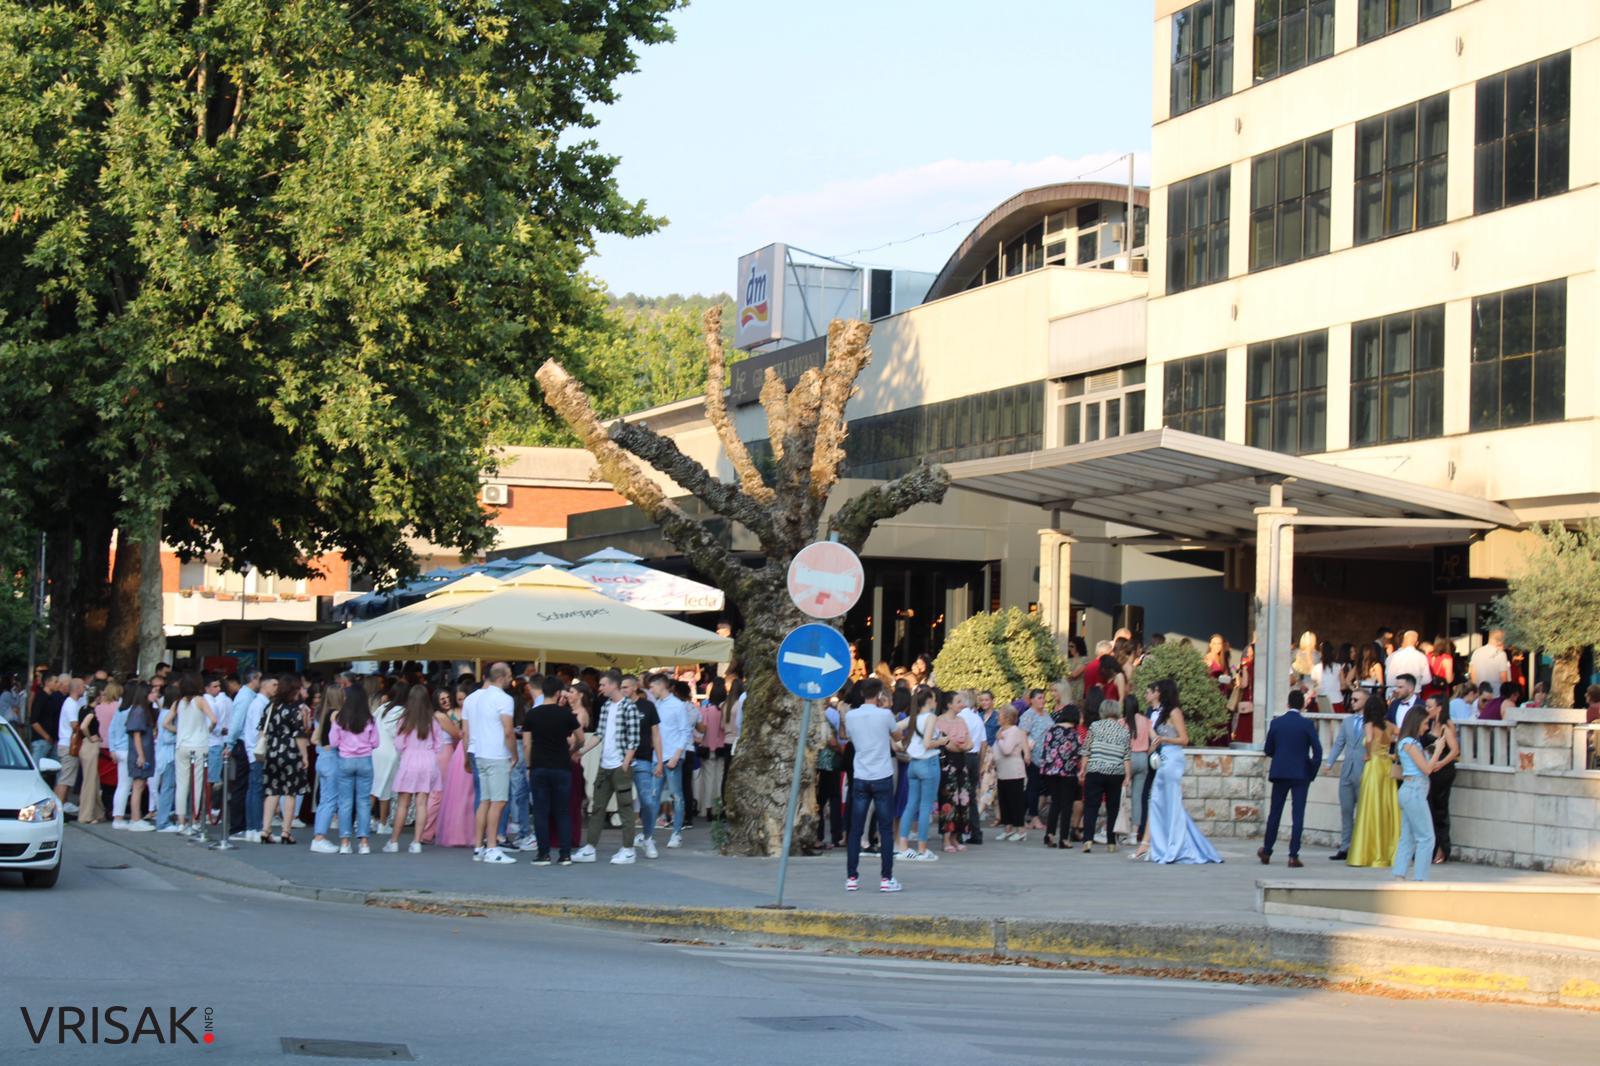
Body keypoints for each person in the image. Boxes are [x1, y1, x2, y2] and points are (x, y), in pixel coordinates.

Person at [1141, 679, 1221, 864]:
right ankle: (1162, 844)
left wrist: (1164, 740)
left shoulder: (1175, 712)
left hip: (1172, 758)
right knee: (1158, 801)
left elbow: (1184, 739)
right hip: (1163, 760)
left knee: (1170, 801)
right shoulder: (1162, 713)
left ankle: (1175, 845)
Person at [843, 678, 907, 892]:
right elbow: (897, 736)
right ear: (879, 694)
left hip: (861, 774)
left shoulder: (851, 715)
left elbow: (849, 736)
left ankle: (852, 877)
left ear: (861, 693)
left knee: (856, 829)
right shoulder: (885, 715)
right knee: (886, 828)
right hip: (882, 774)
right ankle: (886, 878)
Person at [574, 669, 639, 865]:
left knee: (625, 807)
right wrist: (582, 751)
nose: (600, 688)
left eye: (603, 684)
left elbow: (634, 739)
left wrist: (625, 763)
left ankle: (628, 849)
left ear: (613, 685)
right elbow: (599, 734)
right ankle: (590, 848)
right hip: (606, 764)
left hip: (619, 764)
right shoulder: (606, 707)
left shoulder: (629, 707)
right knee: (598, 806)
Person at [1258, 690, 1322, 868]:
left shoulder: (1276, 723)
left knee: (1275, 813)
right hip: (1301, 773)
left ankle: (1267, 850)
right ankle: (1293, 855)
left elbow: (1268, 749)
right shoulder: (1307, 724)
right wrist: (1311, 771)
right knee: (1298, 814)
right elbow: (1318, 752)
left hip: (1280, 772)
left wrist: (1279, 757)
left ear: (1287, 704)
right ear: (1303, 705)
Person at [462, 663, 517, 865]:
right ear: (502, 678)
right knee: (499, 801)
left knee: (484, 800)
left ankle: (479, 846)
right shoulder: (504, 699)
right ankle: (492, 846)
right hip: (496, 754)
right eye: (510, 676)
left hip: (479, 753)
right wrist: (514, 754)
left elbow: (465, 732)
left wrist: (467, 755)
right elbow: (508, 730)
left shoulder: (474, 698)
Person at [524, 676, 583, 866]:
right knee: (562, 811)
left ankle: (543, 853)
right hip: (561, 767)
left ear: (543, 692)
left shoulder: (532, 714)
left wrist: (528, 765)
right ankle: (565, 854)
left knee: (541, 811)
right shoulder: (565, 714)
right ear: (558, 693)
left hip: (539, 766)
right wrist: (572, 751)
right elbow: (580, 738)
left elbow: (526, 744)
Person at [385, 686, 441, 854]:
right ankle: (416, 842)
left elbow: (399, 744)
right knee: (422, 803)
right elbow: (439, 745)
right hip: (429, 761)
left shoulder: (405, 720)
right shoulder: (432, 720)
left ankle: (393, 841)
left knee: (403, 804)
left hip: (410, 760)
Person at [1346, 697, 1401, 868]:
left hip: (1374, 765)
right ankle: (1388, 852)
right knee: (1387, 806)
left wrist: (1368, 754)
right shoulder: (1390, 725)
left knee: (1371, 806)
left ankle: (1370, 853)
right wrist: (1394, 754)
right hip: (1387, 764)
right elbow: (1401, 735)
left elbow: (1369, 739)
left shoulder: (1369, 725)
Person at [895, 685, 946, 862]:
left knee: (911, 805)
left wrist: (899, 744)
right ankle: (923, 849)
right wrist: (942, 740)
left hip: (913, 765)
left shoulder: (913, 718)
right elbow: (927, 743)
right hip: (928, 762)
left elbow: (893, 727)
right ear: (930, 701)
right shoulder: (931, 717)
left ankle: (903, 846)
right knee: (925, 807)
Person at [260, 676, 310, 845]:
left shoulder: (270, 707)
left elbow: (262, 731)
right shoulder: (295, 710)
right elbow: (299, 735)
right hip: (290, 753)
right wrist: (304, 756)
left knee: (272, 791)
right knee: (290, 793)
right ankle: (285, 831)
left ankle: (265, 829)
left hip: (272, 752)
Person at [330, 683, 377, 854]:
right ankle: (364, 842)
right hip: (365, 761)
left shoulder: (340, 719)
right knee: (363, 802)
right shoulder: (369, 719)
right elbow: (375, 742)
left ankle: (344, 842)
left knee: (345, 803)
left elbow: (333, 742)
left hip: (346, 760)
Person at [1392, 705, 1437, 881]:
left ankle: (1399, 874)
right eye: (1425, 723)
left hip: (1412, 790)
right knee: (1426, 838)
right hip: (1414, 791)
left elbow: (1427, 767)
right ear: (1417, 722)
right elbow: (1426, 769)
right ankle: (1420, 879)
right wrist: (1439, 748)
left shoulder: (1411, 743)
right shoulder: (1409, 743)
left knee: (1408, 836)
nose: (1426, 727)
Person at [1080, 698, 1131, 853]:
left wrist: (1083, 769)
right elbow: (1126, 756)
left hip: (1095, 769)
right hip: (1115, 772)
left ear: (1102, 711)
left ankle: (1088, 839)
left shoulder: (1094, 726)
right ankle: (1111, 842)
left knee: (1091, 806)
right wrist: (1128, 776)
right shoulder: (1124, 731)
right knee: (1112, 807)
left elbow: (1086, 750)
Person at [1324, 688, 1370, 860]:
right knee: (1346, 810)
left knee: (1363, 812)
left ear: (1366, 701)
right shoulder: (1348, 722)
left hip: (1364, 770)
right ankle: (1345, 846)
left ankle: (1361, 847)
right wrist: (1330, 762)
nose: (1353, 702)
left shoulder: (1372, 722)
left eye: (1357, 699)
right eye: (1352, 699)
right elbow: (1339, 743)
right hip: (1347, 771)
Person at [649, 672, 694, 849]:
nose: (651, 690)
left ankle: (676, 833)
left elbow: (685, 731)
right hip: (659, 756)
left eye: (653, 686)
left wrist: (676, 756)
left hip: (672, 756)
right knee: (654, 796)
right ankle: (648, 833)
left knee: (676, 795)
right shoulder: (658, 705)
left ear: (661, 686)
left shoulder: (677, 705)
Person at [170, 674, 217, 834]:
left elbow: (165, 723)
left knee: (181, 785)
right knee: (197, 784)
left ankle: (181, 822)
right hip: (199, 745)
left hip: (181, 745)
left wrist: (179, 731)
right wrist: (207, 730)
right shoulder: (200, 700)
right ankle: (195, 820)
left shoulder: (178, 702)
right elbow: (214, 720)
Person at [626, 675, 664, 859]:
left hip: (643, 759)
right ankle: (626, 845)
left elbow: (656, 735)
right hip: (620, 760)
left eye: (625, 687)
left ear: (634, 688)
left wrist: (659, 760)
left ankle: (647, 837)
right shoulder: (617, 706)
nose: (623, 690)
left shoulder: (647, 706)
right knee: (621, 804)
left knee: (648, 801)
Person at [434, 687, 477, 848]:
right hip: (461, 751)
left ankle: (470, 832)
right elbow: (459, 734)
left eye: (463, 698)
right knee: (460, 794)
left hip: (461, 750)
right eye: (459, 699)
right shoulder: (450, 714)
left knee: (468, 794)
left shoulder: (459, 712)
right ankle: (459, 832)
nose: (462, 702)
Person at [1422, 694, 1460, 865]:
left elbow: (1454, 751)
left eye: (1430, 706)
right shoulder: (1429, 724)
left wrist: (1440, 763)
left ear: (1439, 708)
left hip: (1443, 772)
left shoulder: (1446, 726)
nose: (1427, 709)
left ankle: (1442, 849)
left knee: (1440, 809)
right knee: (1430, 808)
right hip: (1431, 770)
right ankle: (1432, 847)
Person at [1036, 705, 1079, 847]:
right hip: (1068, 772)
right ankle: (1064, 838)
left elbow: (1045, 749)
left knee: (1055, 802)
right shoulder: (1073, 733)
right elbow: (1078, 754)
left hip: (1051, 772)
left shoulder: (1051, 730)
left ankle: (1050, 834)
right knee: (1066, 805)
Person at [309, 685, 345, 854]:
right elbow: (339, 738)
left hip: (322, 758)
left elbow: (314, 738)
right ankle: (319, 838)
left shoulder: (320, 713)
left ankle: (319, 836)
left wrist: (324, 747)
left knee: (324, 800)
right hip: (332, 759)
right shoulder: (336, 714)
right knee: (330, 800)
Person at [936, 690, 973, 854]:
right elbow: (946, 744)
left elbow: (970, 742)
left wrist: (963, 745)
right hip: (947, 763)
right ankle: (946, 838)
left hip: (961, 763)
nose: (962, 704)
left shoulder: (962, 721)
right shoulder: (939, 721)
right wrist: (959, 744)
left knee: (962, 801)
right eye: (958, 701)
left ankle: (956, 837)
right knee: (948, 800)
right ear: (949, 704)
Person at [370, 681, 406, 836]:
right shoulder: (402, 711)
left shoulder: (383, 707)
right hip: (391, 753)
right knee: (385, 790)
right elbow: (397, 734)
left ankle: (365, 821)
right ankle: (382, 823)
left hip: (375, 751)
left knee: (374, 788)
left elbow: (371, 723)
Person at [993, 706, 1032, 842]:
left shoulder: (1014, 731)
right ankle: (1008, 828)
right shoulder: (1001, 730)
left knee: (1015, 801)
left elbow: (1007, 749)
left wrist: (1000, 739)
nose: (998, 717)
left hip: (1014, 772)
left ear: (1007, 718)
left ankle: (1020, 830)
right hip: (1003, 771)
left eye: (1000, 715)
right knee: (1005, 801)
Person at [955, 689, 987, 845]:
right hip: (974, 757)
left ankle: (960, 831)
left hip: (962, 756)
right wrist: (980, 764)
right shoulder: (977, 718)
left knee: (960, 795)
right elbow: (984, 743)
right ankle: (976, 831)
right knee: (972, 796)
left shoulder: (959, 718)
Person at [1017, 688, 1051, 830]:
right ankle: (1034, 816)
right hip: (1032, 755)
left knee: (1035, 787)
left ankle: (1019, 816)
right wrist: (1026, 753)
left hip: (1045, 757)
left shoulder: (1046, 714)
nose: (1041, 700)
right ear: (1031, 700)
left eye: (1043, 698)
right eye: (1038, 698)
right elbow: (1022, 734)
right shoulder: (1028, 715)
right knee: (1033, 786)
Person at [1123, 694, 1153, 844]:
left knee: (1120, 796)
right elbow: (1156, 738)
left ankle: (1117, 829)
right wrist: (1148, 751)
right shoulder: (1146, 720)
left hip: (1127, 759)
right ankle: (1134, 835)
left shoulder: (1123, 722)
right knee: (1137, 798)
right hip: (1142, 758)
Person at [123, 689, 155, 831]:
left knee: (140, 785)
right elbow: (136, 735)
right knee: (137, 786)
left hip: (144, 752)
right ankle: (135, 818)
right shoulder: (139, 711)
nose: (155, 695)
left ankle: (136, 818)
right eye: (152, 692)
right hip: (140, 753)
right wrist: (141, 755)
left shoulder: (142, 710)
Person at [816, 698, 846, 849]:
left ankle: (820, 835)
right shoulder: (824, 717)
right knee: (832, 799)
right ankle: (835, 835)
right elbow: (833, 742)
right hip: (829, 763)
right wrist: (841, 751)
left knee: (820, 802)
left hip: (819, 764)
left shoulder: (816, 716)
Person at [1386, 631, 1432, 698]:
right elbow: (1427, 679)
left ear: (1404, 641)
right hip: (1414, 693)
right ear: (1417, 643)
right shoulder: (1422, 657)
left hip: (1397, 693)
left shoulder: (1395, 656)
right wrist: (1417, 684)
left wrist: (1391, 693)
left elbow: (1390, 678)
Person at [1469, 629, 1511, 696]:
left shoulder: (1476, 652)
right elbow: (1503, 679)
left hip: (1480, 695)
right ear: (1500, 640)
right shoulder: (1501, 654)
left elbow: (1472, 675)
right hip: (1496, 695)